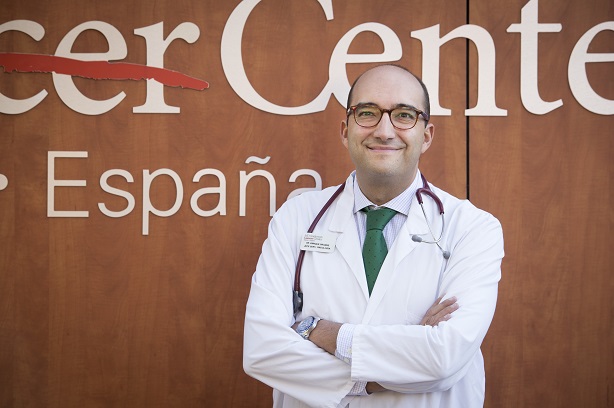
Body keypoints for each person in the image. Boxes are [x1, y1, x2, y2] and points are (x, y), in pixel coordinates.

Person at [243, 64, 504, 407]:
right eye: (367, 113)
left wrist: (316, 331)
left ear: (426, 136)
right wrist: (382, 374)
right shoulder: (296, 218)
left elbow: (444, 359)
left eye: (404, 115)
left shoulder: (473, 228)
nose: (384, 131)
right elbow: (262, 351)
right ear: (345, 130)